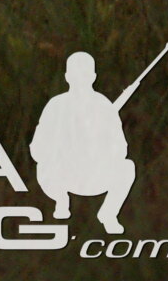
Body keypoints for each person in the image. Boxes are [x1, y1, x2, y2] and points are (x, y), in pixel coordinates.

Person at [32, 51, 139, 234]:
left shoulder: (104, 106)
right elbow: (37, 148)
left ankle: (108, 214)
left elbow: (121, 148)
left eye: (84, 74)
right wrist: (60, 150)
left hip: (94, 174)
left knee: (127, 168)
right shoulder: (56, 106)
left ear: (93, 77)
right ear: (67, 77)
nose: (80, 79)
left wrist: (100, 145)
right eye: (76, 74)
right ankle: (61, 200)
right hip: (63, 175)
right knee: (44, 166)